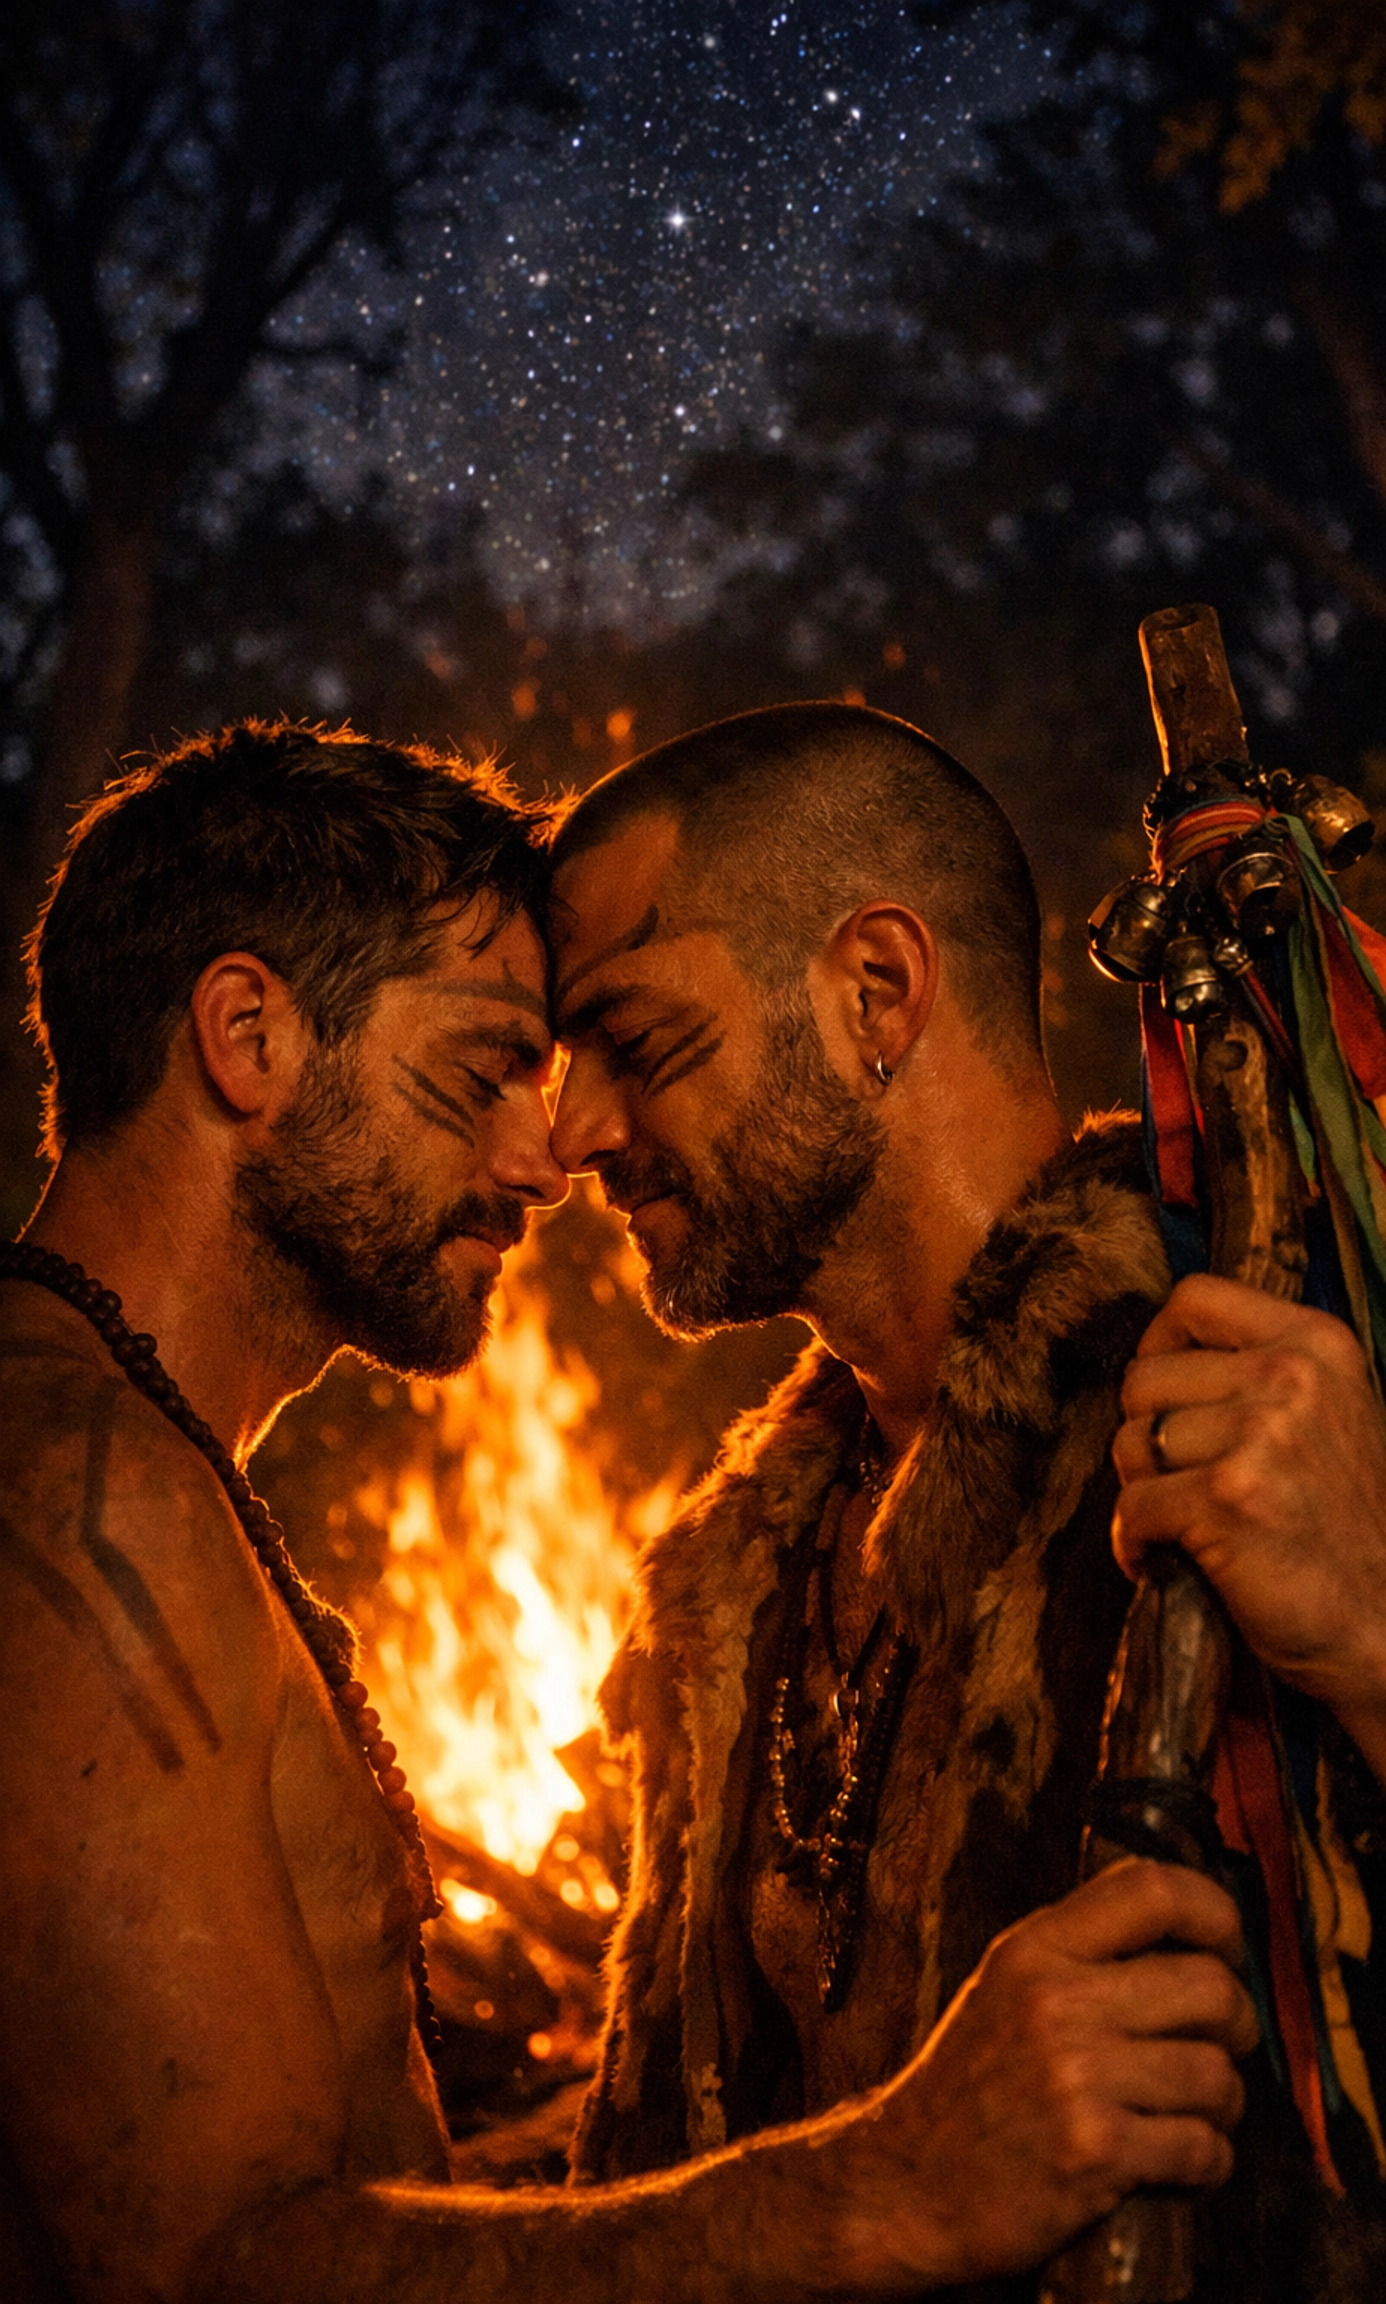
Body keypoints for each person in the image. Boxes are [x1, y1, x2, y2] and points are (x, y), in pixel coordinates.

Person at [0, 719, 1258, 2304]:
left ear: (883, 992)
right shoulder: (70, 1496)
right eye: (480, 1072)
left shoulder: (1243, 1394)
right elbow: (200, 2268)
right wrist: (883, 2187)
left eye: (626, 1053)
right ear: (246, 1036)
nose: (549, 1153)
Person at [546, 700, 1386, 2299]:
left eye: (639, 1045)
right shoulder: (728, 1598)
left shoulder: (1327, 1383)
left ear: (878, 990)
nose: (574, 1130)